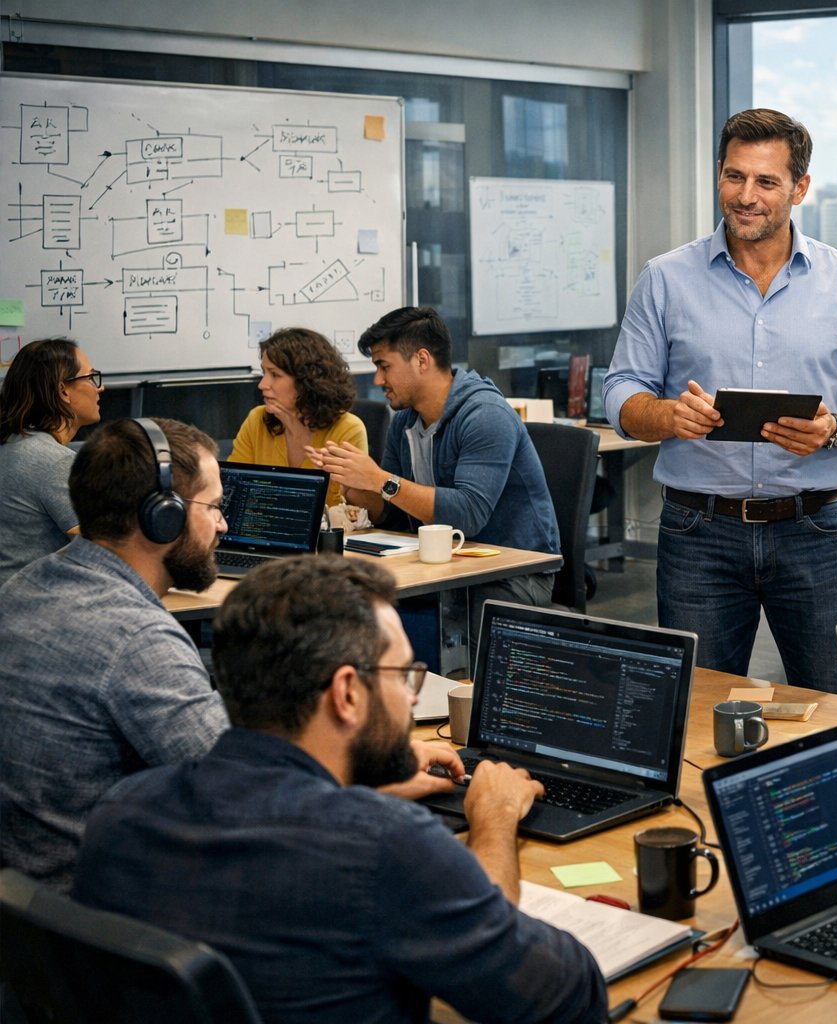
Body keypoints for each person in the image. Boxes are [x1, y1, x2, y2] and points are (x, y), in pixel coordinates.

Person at [73, 556, 606, 1024]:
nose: (411, 700)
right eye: (404, 677)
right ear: (347, 693)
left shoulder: (120, 814)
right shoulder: (382, 848)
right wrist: (493, 820)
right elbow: (563, 997)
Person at [602, 108, 837, 693]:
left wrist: (836, 429)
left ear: (799, 188)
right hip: (699, 533)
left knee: (836, 707)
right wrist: (667, 415)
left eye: (766, 182)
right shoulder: (665, 279)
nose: (746, 196)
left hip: (816, 529)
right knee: (694, 715)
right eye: (733, 176)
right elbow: (621, 391)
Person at [0, 417, 228, 889]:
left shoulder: (23, 587)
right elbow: (239, 794)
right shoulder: (137, 639)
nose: (222, 525)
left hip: (28, 907)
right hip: (103, 917)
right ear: (161, 516)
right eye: (214, 507)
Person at [306, 306, 560, 653]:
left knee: (409, 638)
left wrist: (381, 480)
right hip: (442, 567)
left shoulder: (485, 415)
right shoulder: (405, 422)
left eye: (384, 366)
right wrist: (356, 486)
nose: (378, 380)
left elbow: (468, 514)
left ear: (421, 360)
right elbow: (394, 515)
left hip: (511, 574)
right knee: (351, 620)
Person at [0, 337, 103, 587]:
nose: (99, 388)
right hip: (31, 612)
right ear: (63, 391)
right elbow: (103, 552)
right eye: (90, 377)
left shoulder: (12, 445)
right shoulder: (53, 463)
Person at [229, 326, 366, 507]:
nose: (262, 384)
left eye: (275, 375)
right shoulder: (257, 420)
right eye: (264, 373)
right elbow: (233, 491)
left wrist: (346, 485)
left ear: (306, 381)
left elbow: (366, 513)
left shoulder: (348, 429)